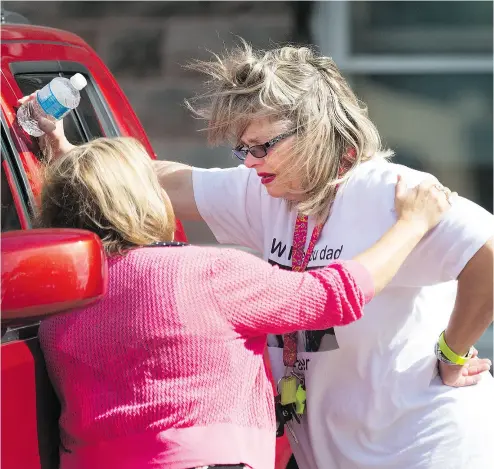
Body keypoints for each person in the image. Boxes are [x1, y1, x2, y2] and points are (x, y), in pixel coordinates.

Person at [23, 105, 451, 469]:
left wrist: (70, 163)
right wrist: (412, 224)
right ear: (144, 199)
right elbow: (335, 295)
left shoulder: (55, 304)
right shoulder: (204, 273)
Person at [148, 43, 492, 469]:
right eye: (242, 148)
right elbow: (160, 183)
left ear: (313, 132)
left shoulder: (393, 193)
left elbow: (489, 253)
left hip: (425, 449)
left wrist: (452, 352)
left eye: (262, 146)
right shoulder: (264, 190)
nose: (250, 162)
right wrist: (63, 153)